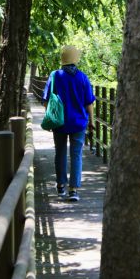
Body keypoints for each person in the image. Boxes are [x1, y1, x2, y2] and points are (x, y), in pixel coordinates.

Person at [42, 45, 95, 202]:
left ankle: (60, 186)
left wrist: (51, 116)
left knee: (60, 153)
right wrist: (92, 122)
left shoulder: (55, 76)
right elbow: (89, 103)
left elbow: (46, 100)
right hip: (78, 123)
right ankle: (74, 190)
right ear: (75, 59)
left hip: (59, 122)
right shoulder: (83, 78)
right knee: (76, 155)